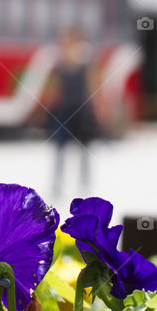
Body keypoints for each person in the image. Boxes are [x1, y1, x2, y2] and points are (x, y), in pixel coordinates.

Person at [49, 28, 98, 196]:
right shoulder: (60, 65)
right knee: (60, 151)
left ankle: (84, 186)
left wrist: (97, 110)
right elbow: (56, 90)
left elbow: (92, 88)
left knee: (84, 151)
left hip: (81, 112)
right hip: (64, 111)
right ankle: (57, 185)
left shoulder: (85, 64)